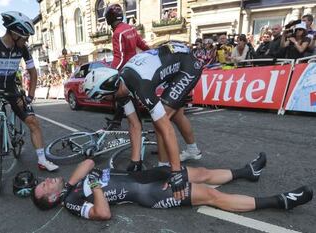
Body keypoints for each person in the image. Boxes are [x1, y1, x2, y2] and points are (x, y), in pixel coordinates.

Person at [83, 41, 204, 199]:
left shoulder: (141, 86)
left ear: (108, 91)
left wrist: (176, 172)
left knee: (161, 120)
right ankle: (193, 150)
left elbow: (166, 128)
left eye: (103, 97)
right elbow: (134, 124)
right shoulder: (120, 88)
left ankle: (165, 166)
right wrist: (135, 161)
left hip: (187, 66)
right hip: (174, 60)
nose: (104, 100)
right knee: (176, 114)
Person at [31, 154, 313, 220]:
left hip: (146, 176)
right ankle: (279, 201)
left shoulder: (70, 187)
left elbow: (90, 161)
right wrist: (94, 188)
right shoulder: (71, 203)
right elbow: (103, 214)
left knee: (199, 172)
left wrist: (71, 183)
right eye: (45, 186)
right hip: (148, 193)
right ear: (53, 198)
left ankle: (247, 171)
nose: (46, 181)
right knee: (212, 196)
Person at [0, 11, 58, 188]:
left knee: (32, 121)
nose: (27, 41)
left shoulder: (22, 49)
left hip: (12, 90)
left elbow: (32, 72)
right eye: (25, 37)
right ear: (14, 34)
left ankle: (42, 159)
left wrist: (30, 96)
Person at [104, 4, 150, 166]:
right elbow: (143, 46)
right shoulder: (130, 28)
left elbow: (120, 57)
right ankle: (121, 122)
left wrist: (110, 74)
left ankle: (136, 140)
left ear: (109, 18)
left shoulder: (117, 33)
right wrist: (152, 54)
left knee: (123, 99)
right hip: (136, 71)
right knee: (132, 106)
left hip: (126, 73)